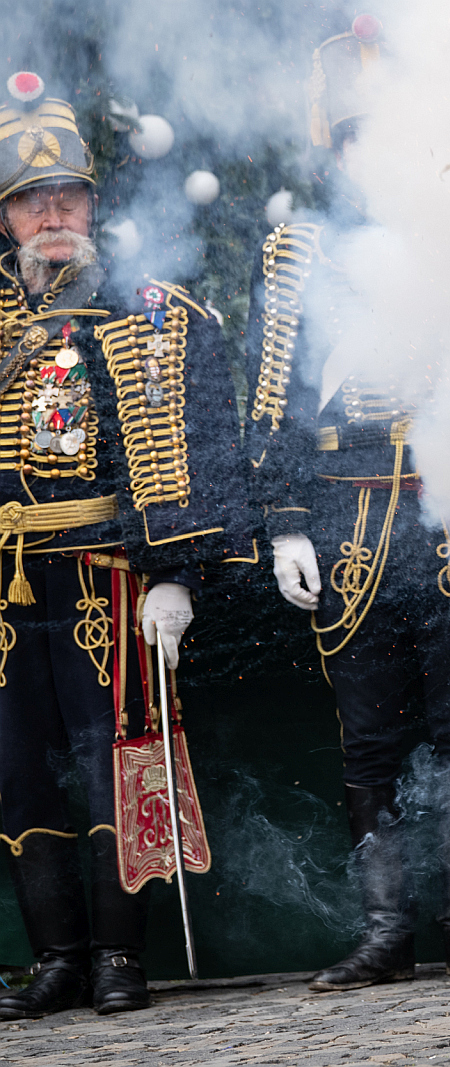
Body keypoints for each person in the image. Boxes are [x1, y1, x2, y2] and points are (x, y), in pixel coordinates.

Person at [247, 18, 450, 992]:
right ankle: (385, 930)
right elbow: (272, 395)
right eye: (360, 138)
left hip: (449, 515)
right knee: (367, 737)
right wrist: (284, 520)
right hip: (346, 520)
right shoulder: (297, 251)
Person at [0, 72, 256, 1018]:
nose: (51, 214)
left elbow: (198, 445)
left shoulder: (150, 316)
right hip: (7, 582)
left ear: (94, 204)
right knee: (18, 770)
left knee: (120, 759)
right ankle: (57, 958)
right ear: (6, 218)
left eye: (67, 195)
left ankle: (118, 956)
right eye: (31, 200)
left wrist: (174, 571)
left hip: (107, 576)